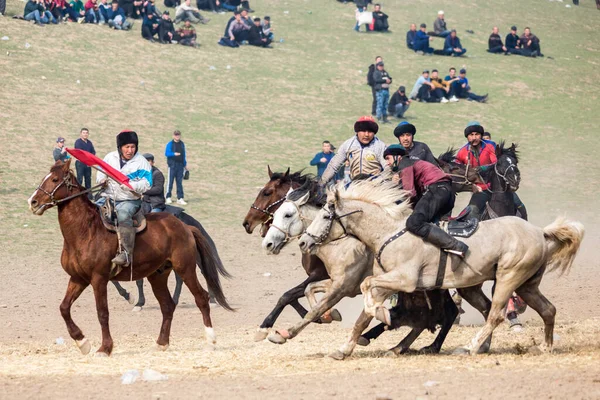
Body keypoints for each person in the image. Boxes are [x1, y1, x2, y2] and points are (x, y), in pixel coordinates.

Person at [389, 144, 469, 257]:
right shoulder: (412, 162)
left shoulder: (405, 163)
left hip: (437, 190)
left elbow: (409, 193)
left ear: (398, 157)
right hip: (445, 192)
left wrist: (395, 189)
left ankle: (456, 246)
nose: (387, 163)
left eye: (388, 158)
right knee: (426, 222)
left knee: (413, 223)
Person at [96, 130, 152, 269]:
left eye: (132, 147)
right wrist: (102, 180)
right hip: (108, 196)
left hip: (130, 200)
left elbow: (147, 183)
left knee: (123, 214)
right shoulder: (110, 158)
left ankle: (126, 253)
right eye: (126, 147)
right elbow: (100, 172)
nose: (130, 150)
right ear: (120, 147)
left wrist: (130, 185)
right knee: (90, 210)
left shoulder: (142, 162)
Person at [320, 116, 387, 184]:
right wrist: (322, 183)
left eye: (370, 131)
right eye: (363, 131)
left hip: (375, 186)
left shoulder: (380, 146)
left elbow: (388, 168)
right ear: (357, 131)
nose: (366, 135)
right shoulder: (348, 145)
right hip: (354, 185)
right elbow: (334, 165)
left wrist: (378, 181)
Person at [455, 122, 496, 219]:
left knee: (519, 205)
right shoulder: (462, 152)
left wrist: (484, 168)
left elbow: (497, 163)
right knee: (472, 210)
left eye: (477, 134)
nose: (474, 138)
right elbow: (457, 169)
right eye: (471, 135)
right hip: (480, 189)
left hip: (497, 186)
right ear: (467, 137)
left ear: (481, 135)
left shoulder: (490, 146)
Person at [164, 130, 188, 205]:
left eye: (178, 135)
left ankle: (180, 198)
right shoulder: (170, 144)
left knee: (179, 182)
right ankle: (168, 197)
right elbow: (167, 153)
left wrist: (185, 165)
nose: (177, 136)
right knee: (170, 182)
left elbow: (184, 155)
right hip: (172, 166)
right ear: (173, 136)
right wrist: (174, 154)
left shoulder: (182, 144)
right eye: (176, 135)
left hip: (180, 166)